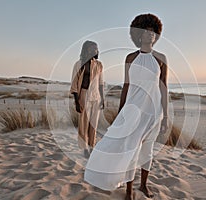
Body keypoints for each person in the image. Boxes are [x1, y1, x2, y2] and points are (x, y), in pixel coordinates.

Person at [84, 13, 168, 200]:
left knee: (148, 150)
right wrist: (121, 112)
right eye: (145, 31)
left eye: (153, 31)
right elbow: (127, 86)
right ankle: (129, 190)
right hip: (133, 110)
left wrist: (166, 116)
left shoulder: (161, 58)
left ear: (157, 34)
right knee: (130, 149)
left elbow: (163, 87)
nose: (150, 34)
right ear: (138, 34)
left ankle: (144, 185)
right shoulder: (130, 58)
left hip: (154, 111)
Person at [70, 40, 104, 158]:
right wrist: (76, 101)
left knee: (93, 124)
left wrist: (103, 99)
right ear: (87, 50)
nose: (96, 50)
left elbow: (100, 83)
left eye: (96, 48)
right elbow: (74, 84)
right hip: (84, 95)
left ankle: (91, 146)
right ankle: (84, 148)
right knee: (83, 123)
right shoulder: (79, 64)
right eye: (93, 48)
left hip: (96, 97)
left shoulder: (99, 65)